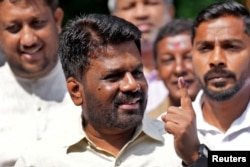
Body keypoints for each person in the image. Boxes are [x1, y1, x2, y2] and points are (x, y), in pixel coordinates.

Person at [14, 13, 185, 167]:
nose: (132, 85)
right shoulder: (40, 160)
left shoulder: (184, 145)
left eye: (137, 72)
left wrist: (197, 159)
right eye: (114, 77)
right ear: (75, 91)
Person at [162, 1, 250, 166]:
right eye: (205, 48)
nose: (216, 59)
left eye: (231, 47)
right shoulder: (161, 134)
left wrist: (196, 158)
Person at [0, 0, 80, 166]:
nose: (28, 40)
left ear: (57, 20)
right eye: (14, 28)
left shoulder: (92, 88)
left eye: (37, 24)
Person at [107, 0, 175, 113]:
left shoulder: (193, 71)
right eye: (130, 6)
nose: (141, 14)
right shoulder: (102, 77)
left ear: (170, 10)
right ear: (114, 18)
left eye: (150, 3)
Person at [147, 19, 201, 118]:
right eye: (168, 60)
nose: (179, 69)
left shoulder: (233, 116)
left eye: (189, 57)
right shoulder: (149, 126)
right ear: (157, 70)